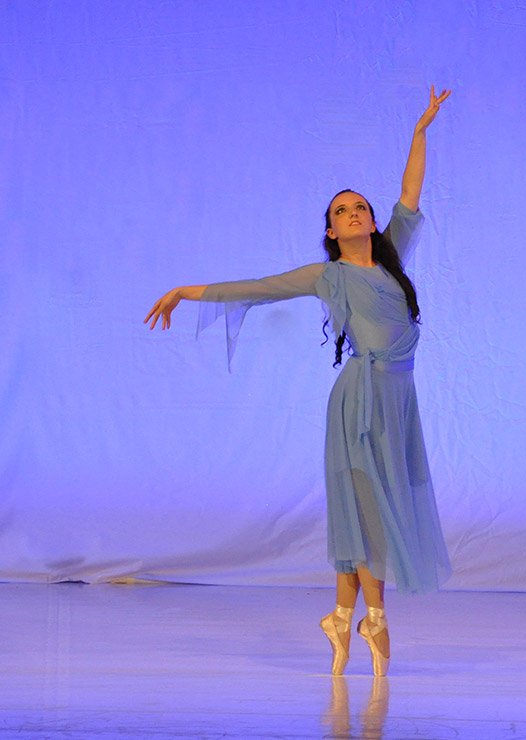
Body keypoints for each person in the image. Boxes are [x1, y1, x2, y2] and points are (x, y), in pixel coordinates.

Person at [145, 87, 453, 676]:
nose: (353, 213)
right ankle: (374, 618)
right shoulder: (327, 276)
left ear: (372, 222)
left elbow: (410, 194)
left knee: (372, 507)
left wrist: (420, 132)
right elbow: (257, 288)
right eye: (340, 211)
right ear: (332, 233)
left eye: (359, 207)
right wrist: (187, 291)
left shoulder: (392, 257)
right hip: (360, 401)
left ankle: (341, 615)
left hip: (398, 401)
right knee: (369, 508)